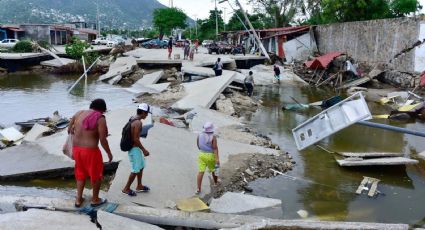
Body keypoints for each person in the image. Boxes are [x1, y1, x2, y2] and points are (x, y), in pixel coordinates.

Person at [68, 98, 113, 208]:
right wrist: (109, 153)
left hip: (77, 150)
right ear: (102, 109)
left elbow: (69, 129)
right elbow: (103, 139)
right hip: (91, 152)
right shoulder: (100, 118)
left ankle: (78, 200)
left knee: (80, 174)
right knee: (96, 175)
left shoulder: (79, 113)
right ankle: (95, 199)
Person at [122, 103, 152, 196]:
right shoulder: (138, 123)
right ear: (143, 112)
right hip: (134, 149)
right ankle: (126, 188)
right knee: (135, 169)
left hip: (134, 148)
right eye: (146, 113)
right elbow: (135, 139)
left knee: (141, 166)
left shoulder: (132, 118)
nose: (147, 115)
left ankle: (139, 185)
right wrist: (144, 150)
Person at [196, 122, 220, 194]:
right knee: (214, 170)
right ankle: (216, 183)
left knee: (201, 171)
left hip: (201, 154)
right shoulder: (213, 137)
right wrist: (217, 159)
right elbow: (215, 148)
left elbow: (198, 145)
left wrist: (202, 150)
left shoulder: (199, 135)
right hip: (210, 156)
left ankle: (198, 188)